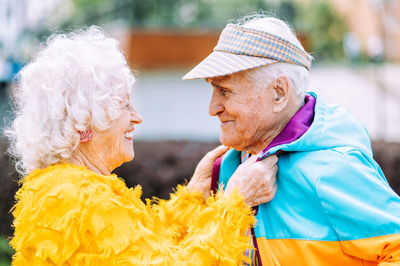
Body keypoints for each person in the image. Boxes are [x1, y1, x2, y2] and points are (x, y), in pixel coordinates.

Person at [6, 26, 279, 265]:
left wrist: (194, 194)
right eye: (125, 105)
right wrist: (235, 203)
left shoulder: (58, 190)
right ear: (83, 125)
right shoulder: (83, 200)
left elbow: (138, 251)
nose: (137, 116)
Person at [183, 14, 400, 265]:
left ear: (279, 93)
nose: (212, 108)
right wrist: (195, 199)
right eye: (212, 89)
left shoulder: (333, 170)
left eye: (225, 91)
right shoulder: (226, 170)